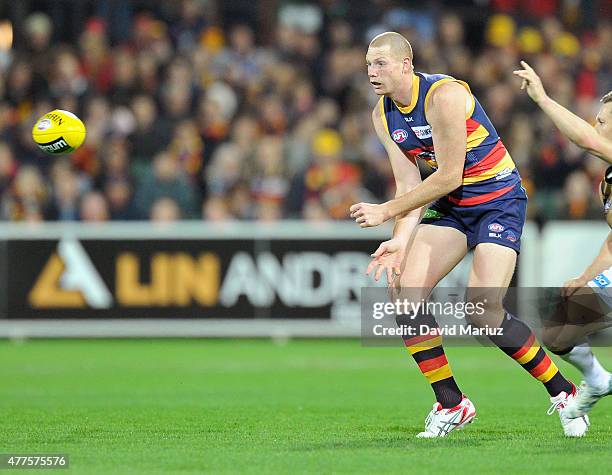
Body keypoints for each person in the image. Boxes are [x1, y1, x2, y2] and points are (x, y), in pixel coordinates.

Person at [349, 32, 587, 437]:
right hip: (453, 206)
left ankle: (563, 392)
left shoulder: (443, 95)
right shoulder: (382, 114)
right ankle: (452, 403)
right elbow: (408, 184)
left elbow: (448, 173)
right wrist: (399, 241)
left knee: (482, 311)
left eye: (381, 63)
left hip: (498, 199)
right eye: (369, 64)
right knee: (405, 294)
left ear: (406, 64)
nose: (372, 72)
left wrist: (386, 211)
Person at [513, 60, 612, 419]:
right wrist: (586, 276)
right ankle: (599, 380)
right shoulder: (607, 179)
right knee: (557, 332)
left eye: (602, 120)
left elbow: (583, 140)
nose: (595, 125)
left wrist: (542, 97)